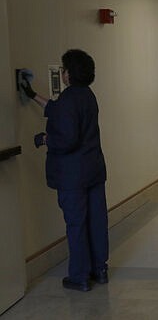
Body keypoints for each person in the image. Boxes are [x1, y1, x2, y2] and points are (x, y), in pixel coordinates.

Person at [21, 49, 109, 292]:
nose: (62, 72)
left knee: (76, 224)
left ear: (69, 73)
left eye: (63, 69)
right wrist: (32, 95)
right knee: (96, 221)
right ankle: (99, 269)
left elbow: (67, 138)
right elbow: (58, 109)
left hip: (73, 176)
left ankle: (79, 276)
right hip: (93, 170)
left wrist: (45, 139)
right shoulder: (86, 96)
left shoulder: (70, 98)